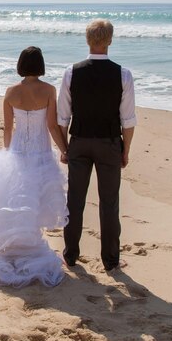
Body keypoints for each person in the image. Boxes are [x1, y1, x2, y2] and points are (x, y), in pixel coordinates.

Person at [0, 46, 69, 288]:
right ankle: (28, 245)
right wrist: (64, 149)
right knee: (35, 199)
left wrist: (7, 154)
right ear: (40, 65)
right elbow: (52, 126)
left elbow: (8, 128)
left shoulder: (11, 92)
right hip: (41, 151)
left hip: (18, 151)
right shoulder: (49, 90)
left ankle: (12, 244)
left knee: (14, 199)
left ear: (21, 65)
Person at [57, 19, 137, 272]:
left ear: (87, 40)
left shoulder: (71, 72)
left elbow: (62, 117)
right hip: (109, 143)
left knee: (75, 200)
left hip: (79, 141)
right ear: (110, 41)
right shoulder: (122, 74)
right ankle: (111, 261)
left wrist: (64, 147)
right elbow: (128, 120)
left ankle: (70, 256)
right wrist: (126, 150)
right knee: (109, 202)